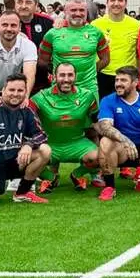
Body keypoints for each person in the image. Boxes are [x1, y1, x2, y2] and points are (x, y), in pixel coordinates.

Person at [0, 73, 51, 208]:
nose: (15, 94)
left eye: (20, 90)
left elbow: (41, 135)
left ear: (25, 92)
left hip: (13, 162)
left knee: (44, 150)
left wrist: (28, 144)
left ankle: (23, 193)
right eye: (11, 90)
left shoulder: (27, 108)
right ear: (3, 90)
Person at [94, 66, 140, 199]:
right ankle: (109, 187)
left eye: (123, 80)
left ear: (135, 83)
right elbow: (105, 126)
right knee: (105, 141)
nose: (118, 84)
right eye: (117, 80)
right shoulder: (108, 100)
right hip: (122, 148)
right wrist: (125, 140)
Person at [29, 61, 100, 193]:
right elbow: (25, 117)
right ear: (54, 77)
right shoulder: (40, 98)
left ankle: (77, 175)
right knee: (25, 158)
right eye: (62, 75)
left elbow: (96, 120)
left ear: (75, 77)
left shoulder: (87, 96)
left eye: (70, 75)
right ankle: (51, 177)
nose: (66, 79)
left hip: (77, 143)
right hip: (50, 145)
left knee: (102, 156)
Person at [39, 0, 109, 97]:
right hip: (60, 90)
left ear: (86, 12)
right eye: (73, 10)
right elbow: (42, 61)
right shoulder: (53, 33)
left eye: (81, 10)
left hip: (89, 90)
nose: (78, 13)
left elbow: (106, 59)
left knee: (91, 113)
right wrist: (58, 74)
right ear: (65, 11)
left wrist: (90, 72)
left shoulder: (96, 33)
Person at [91, 0, 140, 96]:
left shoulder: (136, 25)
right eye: (112, 0)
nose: (116, 3)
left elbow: (139, 53)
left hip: (128, 76)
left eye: (120, 0)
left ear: (126, 3)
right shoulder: (95, 25)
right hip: (102, 75)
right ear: (107, 3)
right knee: (104, 111)